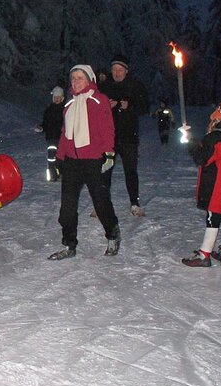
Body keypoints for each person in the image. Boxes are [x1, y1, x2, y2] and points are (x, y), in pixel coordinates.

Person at [48, 65, 121, 260]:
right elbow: (65, 135)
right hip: (72, 161)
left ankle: (112, 235)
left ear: (89, 80)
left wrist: (109, 153)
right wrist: (60, 158)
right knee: (67, 207)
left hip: (94, 160)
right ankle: (69, 244)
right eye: (73, 78)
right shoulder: (69, 105)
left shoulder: (99, 100)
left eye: (80, 78)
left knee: (101, 202)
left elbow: (107, 129)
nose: (76, 81)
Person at [181, 96, 221, 267]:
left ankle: (205, 254)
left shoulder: (217, 136)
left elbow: (201, 157)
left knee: (213, 216)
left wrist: (189, 140)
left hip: (217, 183)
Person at [100, 54, 149, 217]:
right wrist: (107, 105)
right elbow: (95, 108)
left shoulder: (136, 86)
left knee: (131, 171)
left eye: (120, 70)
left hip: (129, 136)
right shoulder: (105, 87)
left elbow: (145, 108)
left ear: (126, 71)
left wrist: (130, 105)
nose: (116, 73)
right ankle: (101, 203)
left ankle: (134, 203)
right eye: (114, 70)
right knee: (105, 169)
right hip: (109, 137)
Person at [36, 86, 65, 182]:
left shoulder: (66, 110)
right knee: (51, 157)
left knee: (62, 156)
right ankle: (52, 175)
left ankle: (62, 172)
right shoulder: (49, 110)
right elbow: (45, 123)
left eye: (59, 97)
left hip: (62, 137)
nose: (57, 99)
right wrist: (41, 128)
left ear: (62, 98)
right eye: (55, 97)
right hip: (51, 137)